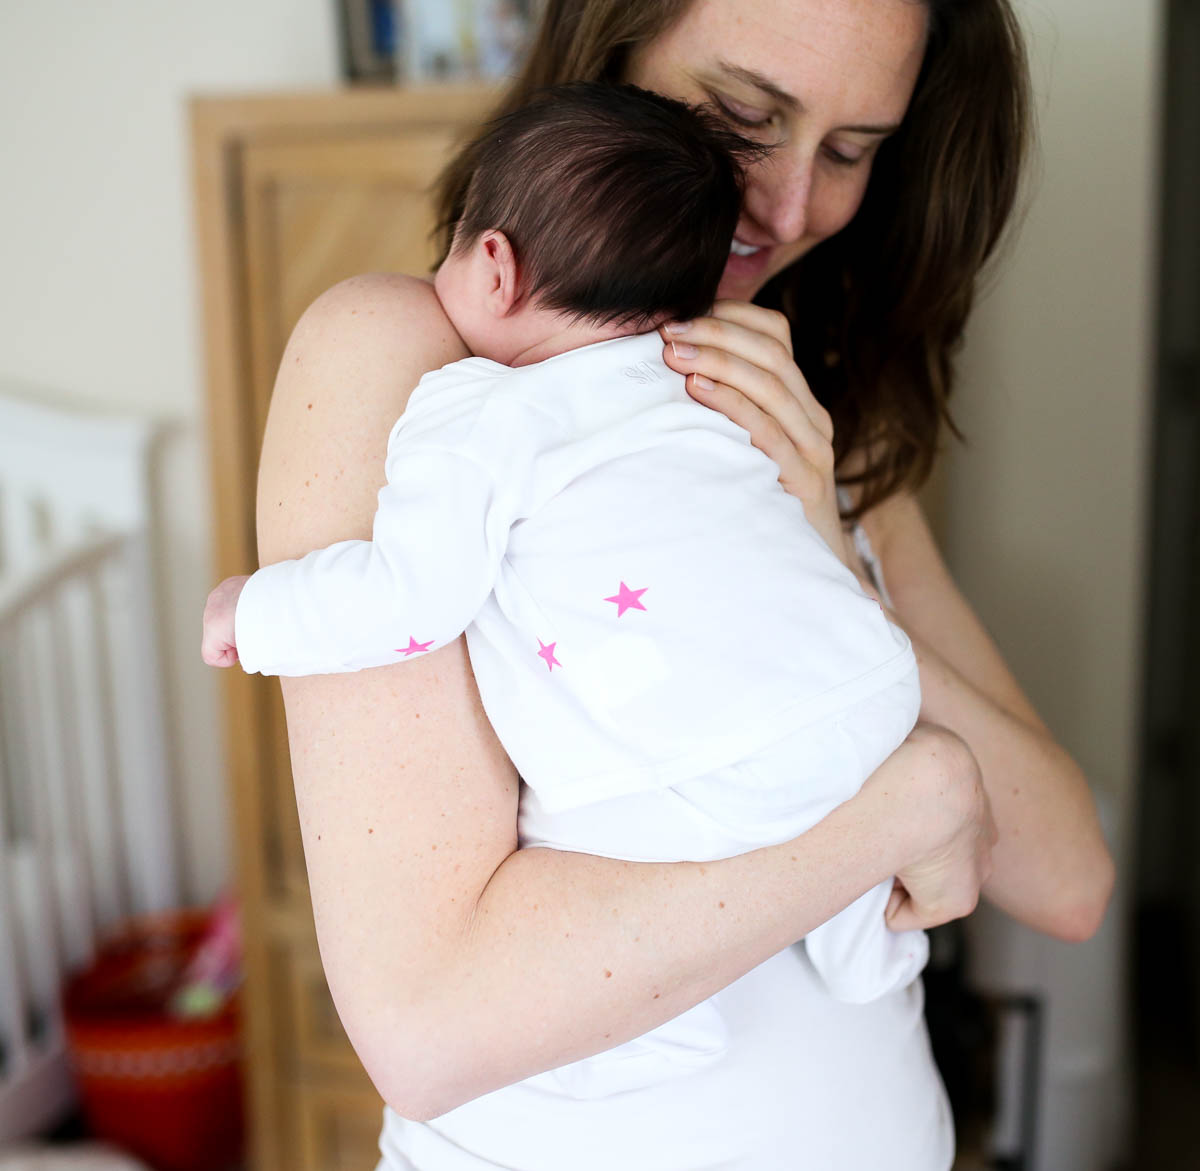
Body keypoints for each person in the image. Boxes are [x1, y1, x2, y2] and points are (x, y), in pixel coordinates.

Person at [250, 1, 1116, 1168]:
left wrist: (825, 558)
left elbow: (1068, 878)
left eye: (850, 149)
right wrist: (897, 814)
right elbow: (428, 1024)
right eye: (744, 115)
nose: (791, 207)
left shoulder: (807, 408)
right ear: (610, 53)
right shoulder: (421, 360)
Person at [202, 81, 933, 1098]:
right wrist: (920, 803)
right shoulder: (714, 384)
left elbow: (411, 600)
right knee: (806, 773)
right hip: (871, 699)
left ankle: (651, 1032)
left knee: (585, 809)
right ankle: (872, 950)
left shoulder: (482, 411)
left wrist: (256, 613)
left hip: (721, 776)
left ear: (495, 266)